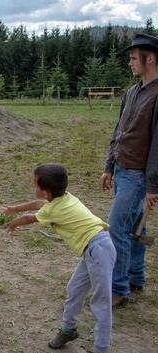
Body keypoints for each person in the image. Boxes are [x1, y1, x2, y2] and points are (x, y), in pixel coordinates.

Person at [1, 163, 116, 353]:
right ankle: (69, 329)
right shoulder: (63, 198)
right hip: (92, 248)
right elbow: (39, 204)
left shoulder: (54, 207)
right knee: (74, 290)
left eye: (34, 184)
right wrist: (15, 208)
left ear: (46, 191)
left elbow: (31, 218)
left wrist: (14, 222)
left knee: (100, 304)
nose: (34, 188)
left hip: (98, 251)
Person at [100, 33, 158, 308]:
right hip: (122, 171)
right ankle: (136, 276)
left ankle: (118, 288)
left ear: (151, 58)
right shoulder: (132, 92)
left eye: (134, 58)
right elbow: (119, 131)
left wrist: (153, 185)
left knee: (117, 229)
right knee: (136, 226)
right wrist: (109, 165)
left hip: (138, 176)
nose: (130, 63)